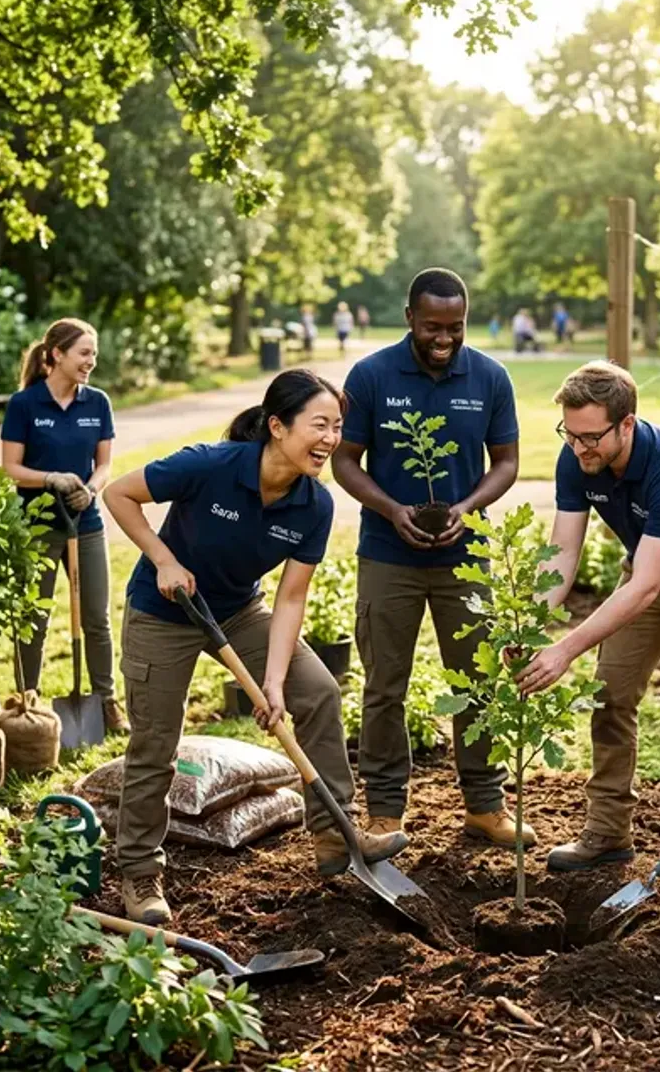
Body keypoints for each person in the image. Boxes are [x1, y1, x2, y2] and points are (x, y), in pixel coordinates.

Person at [103, 369, 408, 924]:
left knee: (316, 691)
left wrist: (271, 681)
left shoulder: (314, 505)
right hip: (164, 611)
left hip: (239, 610)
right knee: (155, 744)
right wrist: (164, 558)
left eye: (337, 427)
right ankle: (139, 868)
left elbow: (291, 599)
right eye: (319, 425)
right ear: (276, 425)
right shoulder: (210, 466)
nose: (330, 439)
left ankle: (336, 837)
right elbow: (118, 493)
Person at [516, 361, 660, 896]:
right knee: (609, 695)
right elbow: (563, 552)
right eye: (570, 435)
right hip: (646, 570)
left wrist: (566, 649)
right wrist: (531, 626)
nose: (579, 449)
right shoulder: (577, 456)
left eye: (591, 437)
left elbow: (646, 587)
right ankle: (607, 831)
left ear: (627, 424)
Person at [332, 268, 528, 847]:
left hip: (464, 558)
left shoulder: (490, 378)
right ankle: (386, 810)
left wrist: (467, 507)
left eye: (456, 327)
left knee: (476, 679)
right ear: (410, 318)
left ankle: (485, 806)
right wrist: (392, 509)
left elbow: (508, 462)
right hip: (388, 555)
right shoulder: (371, 376)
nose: (444, 339)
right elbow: (345, 460)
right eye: (433, 327)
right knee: (385, 684)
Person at [0, 318, 126, 734]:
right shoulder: (25, 405)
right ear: (56, 354)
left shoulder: (98, 403)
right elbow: (11, 469)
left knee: (97, 617)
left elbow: (104, 463)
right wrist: (50, 478)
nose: (92, 361)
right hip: (35, 527)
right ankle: (26, 700)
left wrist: (90, 489)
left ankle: (106, 700)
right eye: (84, 353)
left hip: (85, 524)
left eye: (94, 353)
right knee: (32, 618)